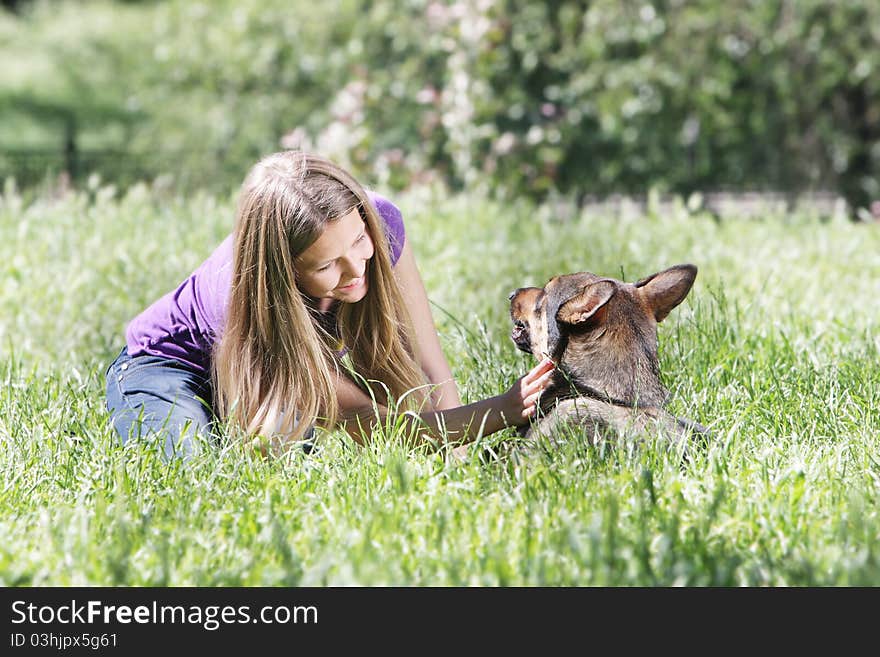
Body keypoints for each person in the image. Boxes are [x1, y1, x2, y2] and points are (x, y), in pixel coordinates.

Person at [105, 150, 554, 460]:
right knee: (193, 467)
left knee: (287, 450)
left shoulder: (380, 223)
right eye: (326, 267)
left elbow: (428, 364)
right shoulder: (248, 291)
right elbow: (362, 418)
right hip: (169, 368)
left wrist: (456, 465)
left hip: (259, 375)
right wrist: (498, 411)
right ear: (286, 270)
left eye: (359, 242)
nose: (356, 269)